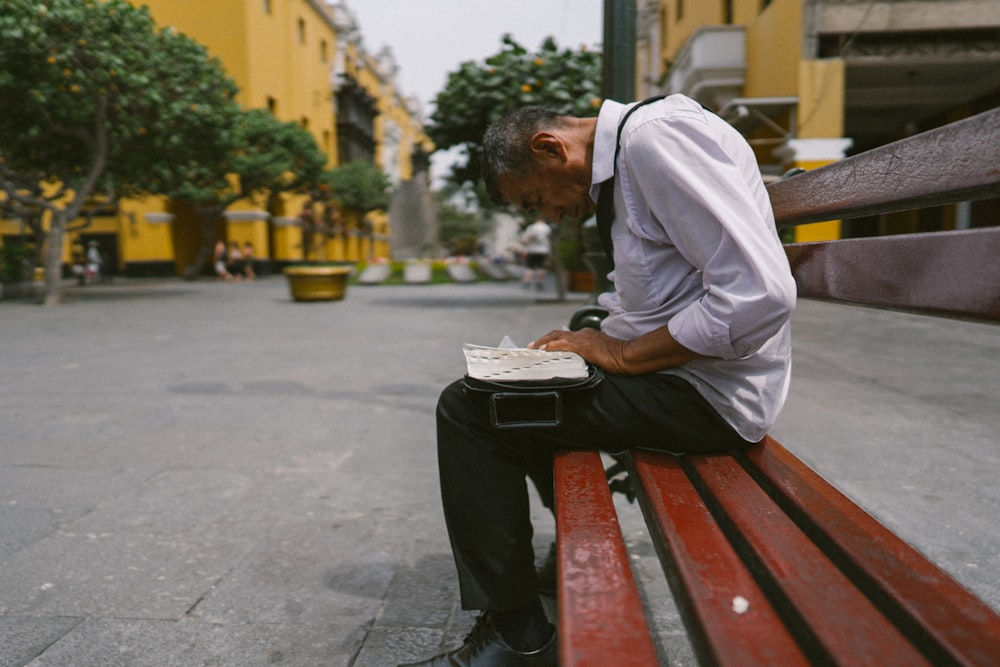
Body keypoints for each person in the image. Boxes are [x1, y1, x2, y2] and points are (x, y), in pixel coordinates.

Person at [401, 94, 797, 667]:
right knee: (516, 390)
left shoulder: (655, 140)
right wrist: (589, 334)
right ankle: (568, 553)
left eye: (538, 197)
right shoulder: (634, 157)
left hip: (706, 396)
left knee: (469, 411)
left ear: (550, 147)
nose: (550, 216)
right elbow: (658, 286)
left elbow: (760, 296)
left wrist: (625, 354)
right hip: (686, 379)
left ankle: (516, 638)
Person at [519, 218, 551, 290]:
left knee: (529, 267)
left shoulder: (533, 227)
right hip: (544, 250)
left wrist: (525, 245)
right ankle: (539, 282)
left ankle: (527, 281)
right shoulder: (547, 228)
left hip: (532, 250)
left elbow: (529, 238)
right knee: (541, 267)